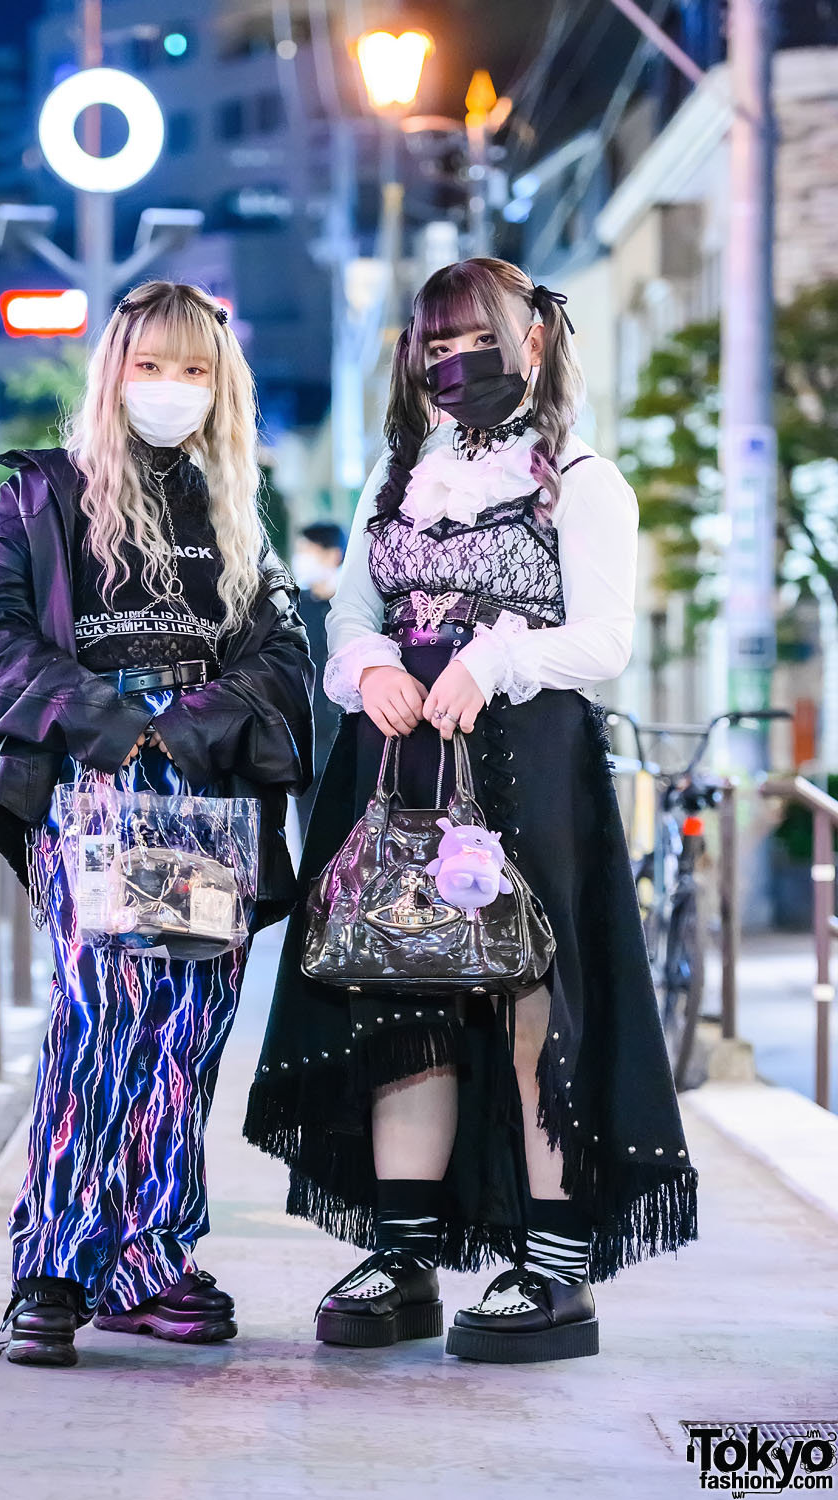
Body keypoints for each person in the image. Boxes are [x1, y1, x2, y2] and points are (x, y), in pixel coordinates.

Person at [244, 257, 698, 1365]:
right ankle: (402, 1257)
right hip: (395, 761)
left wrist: (491, 662)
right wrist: (366, 665)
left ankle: (552, 1272)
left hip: (525, 764)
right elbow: (346, 612)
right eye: (433, 345)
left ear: (532, 343)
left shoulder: (582, 479)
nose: (452, 364)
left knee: (532, 999)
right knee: (399, 990)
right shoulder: (395, 473)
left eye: (473, 341)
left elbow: (603, 641)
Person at [0, 280, 313, 1368]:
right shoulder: (40, 499)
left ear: (220, 385)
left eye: (193, 369)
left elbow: (286, 659)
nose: (170, 388)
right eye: (150, 365)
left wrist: (190, 726)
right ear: (113, 373)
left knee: (187, 1027)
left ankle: (148, 1255)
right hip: (93, 794)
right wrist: (113, 723)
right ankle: (53, 1261)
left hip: (210, 804)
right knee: (103, 1019)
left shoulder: (238, 509)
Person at [291, 521, 347, 834]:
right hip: (308, 740)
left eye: (306, 552)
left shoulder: (353, 610)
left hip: (345, 734)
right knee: (310, 828)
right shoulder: (295, 608)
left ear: (332, 555)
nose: (300, 559)